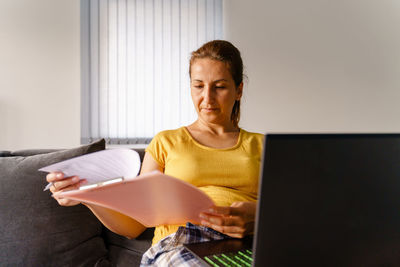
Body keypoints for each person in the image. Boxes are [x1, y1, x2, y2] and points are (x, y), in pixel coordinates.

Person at [47, 40, 264, 266]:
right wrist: (85, 195)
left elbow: (294, 212)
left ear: (238, 90)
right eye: (198, 86)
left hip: (249, 246)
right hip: (181, 245)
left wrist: (258, 215)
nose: (207, 98)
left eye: (219, 87)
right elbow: (133, 225)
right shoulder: (167, 142)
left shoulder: (263, 145)